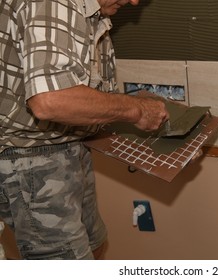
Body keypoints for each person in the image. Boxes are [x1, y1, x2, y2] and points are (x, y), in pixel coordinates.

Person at [0, 0, 169, 259]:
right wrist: (136, 110)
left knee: (94, 244)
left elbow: (82, 95)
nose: (134, 1)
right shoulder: (52, 3)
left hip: (69, 146)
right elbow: (50, 100)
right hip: (29, 157)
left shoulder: (91, 14)